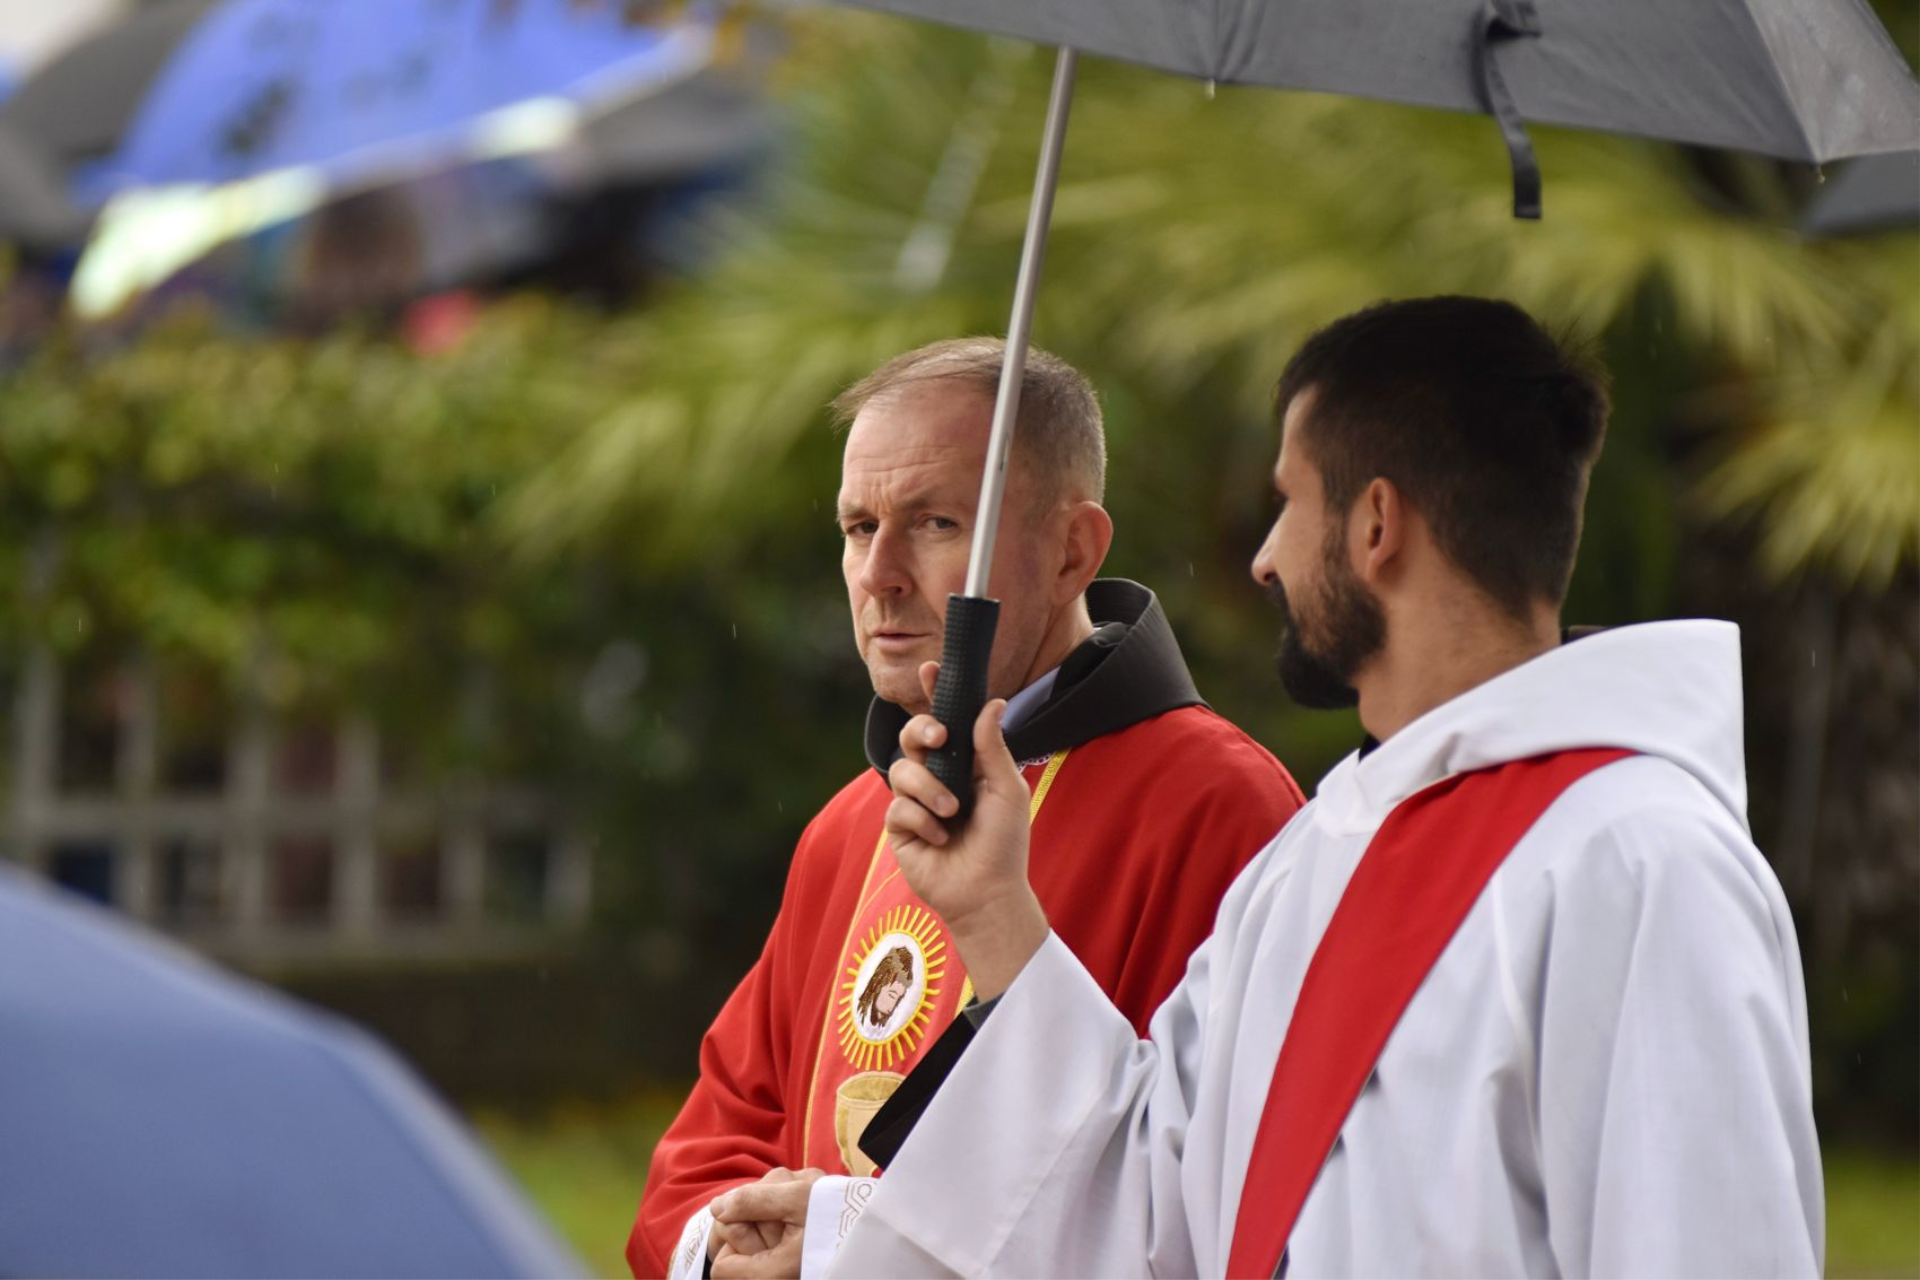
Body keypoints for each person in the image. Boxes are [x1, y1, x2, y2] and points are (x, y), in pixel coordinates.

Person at [789, 297, 1822, 1278]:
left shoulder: (1639, 864)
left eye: (1289, 501)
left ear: (1376, 524)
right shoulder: (1310, 865)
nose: (1264, 558)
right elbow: (1141, 1211)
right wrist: (993, 912)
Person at [627, 338, 1306, 1280]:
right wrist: (732, 1251)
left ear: (1072, 551)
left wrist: (851, 1237)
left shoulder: (1216, 806)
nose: (880, 573)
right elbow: (702, 1157)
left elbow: (1185, 1194)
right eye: (859, 527)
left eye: (935, 522)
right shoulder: (849, 827)